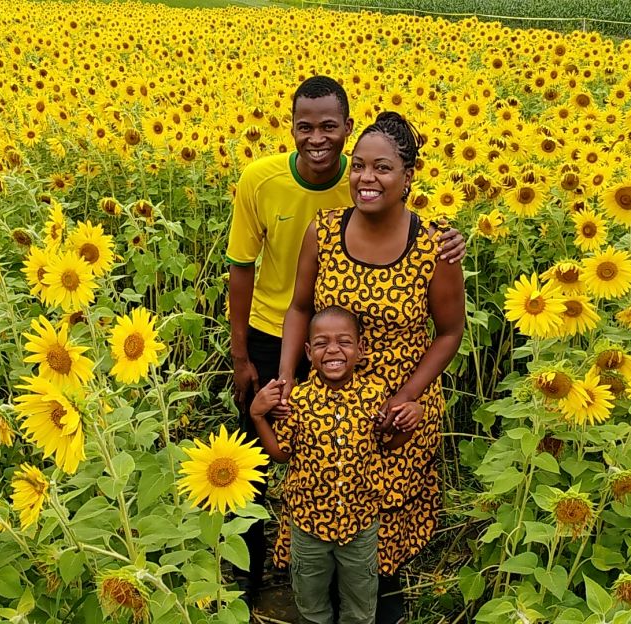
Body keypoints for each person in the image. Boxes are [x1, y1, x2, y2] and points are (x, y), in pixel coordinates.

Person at [225, 76, 465, 602]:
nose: (366, 177)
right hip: (330, 389)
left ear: (409, 175)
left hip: (401, 401)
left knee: (386, 517)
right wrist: (287, 375)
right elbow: (300, 307)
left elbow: (449, 332)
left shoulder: (435, 246)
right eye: (360, 166)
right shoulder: (326, 229)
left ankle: (378, 608)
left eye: (383, 167)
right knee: (320, 493)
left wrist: (408, 396)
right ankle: (312, 601)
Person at [249, 306, 421, 624]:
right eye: (321, 343)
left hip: (360, 524)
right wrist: (258, 416)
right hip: (308, 524)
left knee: (360, 602)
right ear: (308, 351)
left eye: (344, 341)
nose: (333, 350)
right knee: (311, 601)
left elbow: (389, 444)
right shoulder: (297, 400)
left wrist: (407, 423)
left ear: (360, 350)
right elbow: (280, 454)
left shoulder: (375, 397)